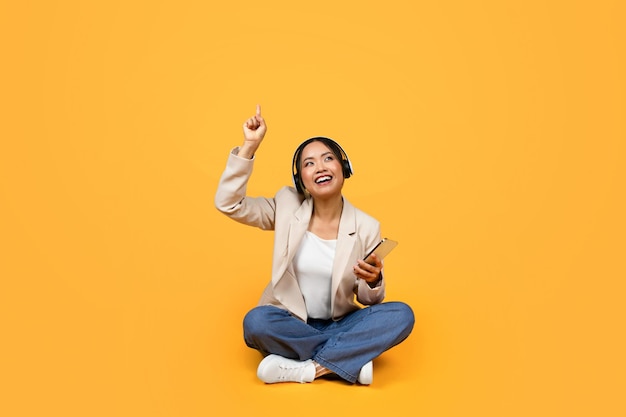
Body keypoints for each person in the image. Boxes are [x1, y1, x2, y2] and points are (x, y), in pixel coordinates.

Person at [214, 105, 414, 385]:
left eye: (328, 159)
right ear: (302, 181)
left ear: (344, 168)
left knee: (402, 315)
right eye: (308, 163)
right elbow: (229, 203)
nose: (319, 167)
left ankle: (309, 369)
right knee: (256, 323)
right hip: (289, 321)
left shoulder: (367, 226)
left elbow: (369, 300)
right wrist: (249, 146)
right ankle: (349, 360)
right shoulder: (286, 205)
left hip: (340, 322)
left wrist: (374, 280)